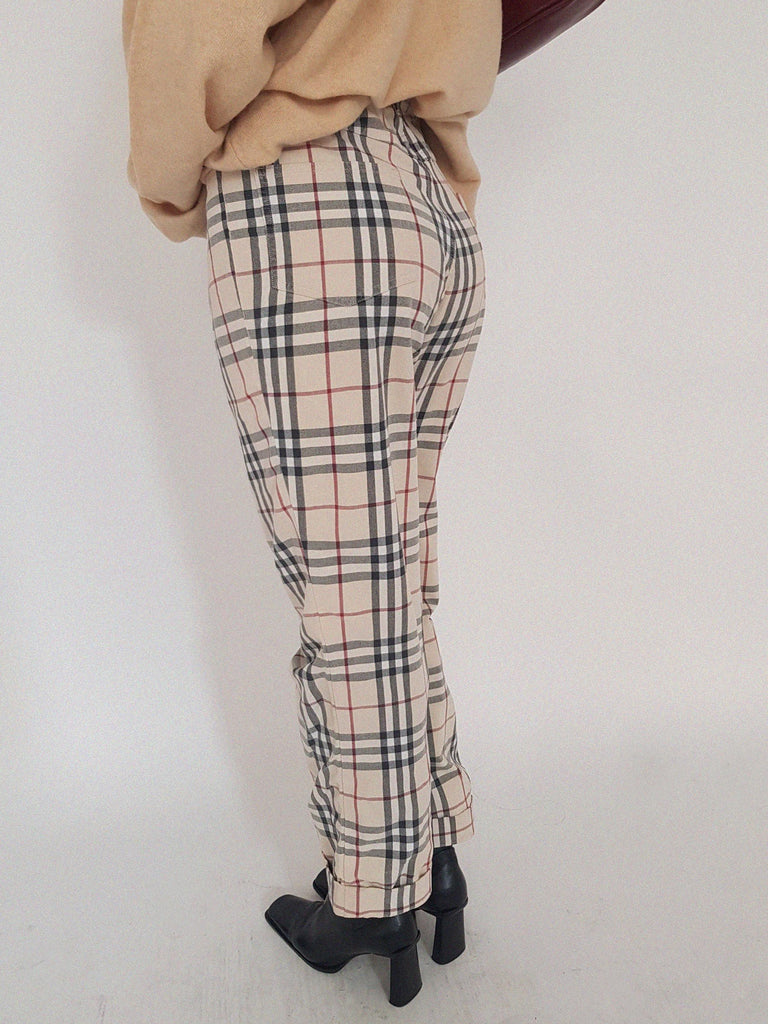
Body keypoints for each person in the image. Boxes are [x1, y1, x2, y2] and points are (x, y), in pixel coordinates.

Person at [122, 0, 502, 1006]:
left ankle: (374, 898)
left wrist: (172, 181)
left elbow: (192, 26)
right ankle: (432, 851)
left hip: (309, 193)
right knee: (389, 575)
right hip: (431, 203)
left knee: (349, 594)